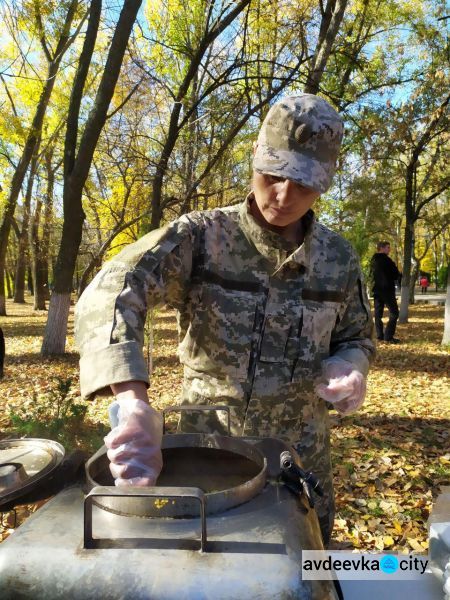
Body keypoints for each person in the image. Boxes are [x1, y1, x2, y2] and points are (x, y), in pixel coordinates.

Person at [75, 94, 375, 547]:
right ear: (255, 156)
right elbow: (112, 290)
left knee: (304, 573)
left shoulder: (338, 258)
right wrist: (132, 399)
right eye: (273, 174)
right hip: (210, 461)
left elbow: (357, 336)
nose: (283, 195)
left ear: (326, 182)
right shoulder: (203, 237)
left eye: (304, 183)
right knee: (213, 572)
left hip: (301, 465)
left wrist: (350, 365)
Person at [370, 241, 402, 343]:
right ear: (382, 248)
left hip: (377, 290)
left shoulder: (373, 260)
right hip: (387, 290)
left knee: (378, 315)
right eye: (388, 247)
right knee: (394, 313)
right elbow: (395, 274)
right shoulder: (387, 261)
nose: (389, 249)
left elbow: (371, 276)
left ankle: (379, 335)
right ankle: (388, 336)